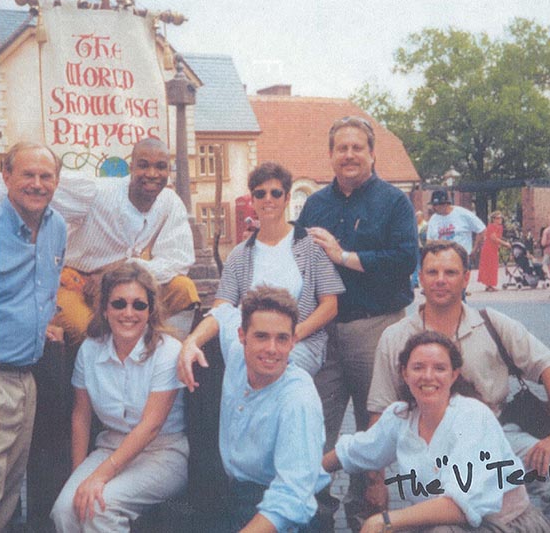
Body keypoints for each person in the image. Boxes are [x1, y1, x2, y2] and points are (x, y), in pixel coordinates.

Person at [367, 240, 550, 533]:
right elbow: (379, 410)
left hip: (499, 439)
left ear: (466, 277)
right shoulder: (395, 337)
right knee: (446, 526)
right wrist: (376, 481)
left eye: (450, 272)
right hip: (433, 449)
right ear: (420, 278)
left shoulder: (491, 323)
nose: (441, 280)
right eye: (432, 272)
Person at [297, 116, 418, 529]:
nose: (349, 155)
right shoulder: (315, 204)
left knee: (377, 426)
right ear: (330, 155)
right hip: (325, 332)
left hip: (377, 328)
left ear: (371, 153)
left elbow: (405, 261)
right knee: (316, 425)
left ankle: (366, 515)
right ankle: (316, 514)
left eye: (357, 147)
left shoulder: (393, 202)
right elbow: (297, 263)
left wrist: (344, 257)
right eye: (341, 148)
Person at [325, 332, 550, 533]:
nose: (428, 376)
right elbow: (356, 451)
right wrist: (310, 470)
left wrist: (385, 520)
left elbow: (460, 506)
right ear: (404, 373)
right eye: (418, 367)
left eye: (439, 368)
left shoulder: (472, 416)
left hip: (502, 525)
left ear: (454, 375)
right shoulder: (400, 416)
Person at [0, 137, 199, 343]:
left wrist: (121, 270)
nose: (152, 174)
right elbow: (12, 186)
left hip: (124, 282)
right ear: (131, 167)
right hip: (75, 281)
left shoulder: (170, 202)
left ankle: (167, 357)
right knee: (88, 331)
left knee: (184, 290)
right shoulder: (96, 192)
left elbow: (178, 260)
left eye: (161, 167)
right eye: (143, 166)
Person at [50, 263, 188, 532]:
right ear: (104, 309)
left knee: (99, 508)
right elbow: (81, 416)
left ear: (150, 310)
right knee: (65, 510)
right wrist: (79, 477)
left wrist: (99, 477)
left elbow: (151, 427)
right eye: (119, 304)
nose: (128, 313)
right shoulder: (90, 350)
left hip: (162, 452)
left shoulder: (168, 351)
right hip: (110, 446)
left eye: (139, 305)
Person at [181, 286, 329, 531]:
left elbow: (291, 497)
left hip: (279, 510)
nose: (271, 348)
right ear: (242, 336)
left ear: (293, 341)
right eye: (261, 336)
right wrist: (190, 343)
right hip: (231, 493)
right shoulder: (238, 354)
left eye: (282, 338)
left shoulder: (298, 399)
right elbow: (223, 312)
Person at [182, 162, 345, 379]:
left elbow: (330, 305)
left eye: (276, 193)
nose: (268, 199)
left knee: (275, 373)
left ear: (287, 198)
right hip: (253, 347)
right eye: (260, 194)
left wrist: (292, 335)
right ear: (253, 199)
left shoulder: (310, 245)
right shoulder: (239, 255)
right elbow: (222, 310)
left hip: (300, 344)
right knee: (243, 367)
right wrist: (192, 341)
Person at [0, 142, 67, 533]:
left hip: (27, 378)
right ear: (6, 177)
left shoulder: (57, 226)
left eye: (46, 176)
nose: (38, 184)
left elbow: (42, 289)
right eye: (28, 174)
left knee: (8, 490)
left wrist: (42, 324)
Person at [426, 190, 486, 262]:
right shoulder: (433, 219)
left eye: (436, 205)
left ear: (445, 204)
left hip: (461, 258)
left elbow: (481, 229)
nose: (434, 208)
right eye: (433, 205)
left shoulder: (462, 214)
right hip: (441, 259)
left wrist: (475, 250)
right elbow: (429, 241)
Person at [477, 210, 511, 291]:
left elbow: (498, 238)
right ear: (493, 219)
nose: (500, 219)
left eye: (501, 218)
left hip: (494, 249)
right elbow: (493, 238)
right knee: (489, 266)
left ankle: (490, 285)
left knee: (493, 266)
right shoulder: (491, 226)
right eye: (498, 218)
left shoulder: (500, 227)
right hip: (488, 249)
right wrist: (505, 244)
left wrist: (501, 245)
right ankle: (489, 285)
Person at [411, 210, 428, 289]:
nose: (416, 218)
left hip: (423, 248)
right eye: (415, 216)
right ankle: (415, 282)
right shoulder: (415, 225)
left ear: (421, 217)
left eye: (417, 216)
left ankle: (420, 282)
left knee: (422, 265)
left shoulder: (425, 226)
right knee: (416, 264)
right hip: (416, 248)